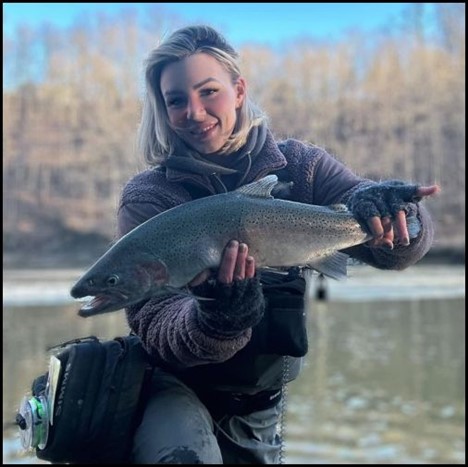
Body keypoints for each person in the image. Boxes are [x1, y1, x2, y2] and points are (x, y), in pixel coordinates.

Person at [117, 25, 439, 464]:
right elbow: (152, 321)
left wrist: (397, 213)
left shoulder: (302, 166)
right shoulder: (149, 196)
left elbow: (404, 244)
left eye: (208, 91)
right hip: (172, 392)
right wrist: (217, 317)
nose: (194, 112)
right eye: (176, 101)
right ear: (163, 108)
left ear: (238, 90)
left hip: (259, 398)